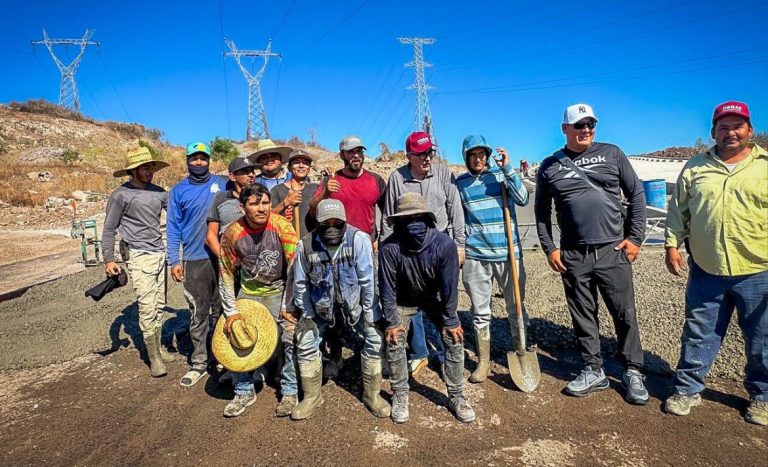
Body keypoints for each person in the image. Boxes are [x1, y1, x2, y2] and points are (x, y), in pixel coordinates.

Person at [535, 103, 649, 405]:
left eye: (590, 124)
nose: (586, 129)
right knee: (583, 315)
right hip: (573, 254)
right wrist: (550, 247)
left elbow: (636, 194)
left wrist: (635, 238)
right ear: (565, 129)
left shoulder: (612, 153)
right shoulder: (550, 165)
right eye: (579, 125)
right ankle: (593, 369)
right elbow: (541, 214)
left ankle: (633, 371)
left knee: (624, 313)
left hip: (613, 249)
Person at [664, 101, 768, 426]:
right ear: (713, 133)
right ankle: (687, 390)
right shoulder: (695, 167)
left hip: (758, 270)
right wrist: (671, 245)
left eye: (737, 126)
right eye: (723, 127)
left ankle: (763, 397)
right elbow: (678, 211)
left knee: (762, 338)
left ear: (750, 130)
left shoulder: (765, 166)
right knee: (698, 333)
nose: (730, 132)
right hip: (706, 270)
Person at [379, 192, 475, 424]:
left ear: (428, 219)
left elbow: (450, 286)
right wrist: (392, 322)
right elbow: (387, 289)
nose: (413, 223)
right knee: (394, 339)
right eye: (406, 218)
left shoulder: (445, 245)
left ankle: (456, 395)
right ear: (398, 222)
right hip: (403, 300)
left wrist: (450, 319)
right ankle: (400, 393)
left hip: (434, 299)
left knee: (454, 337)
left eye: (418, 217)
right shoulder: (389, 247)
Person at [292, 199, 390, 420]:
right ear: (318, 224)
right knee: (305, 342)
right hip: (321, 309)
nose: (332, 227)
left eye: (338, 222)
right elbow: (301, 285)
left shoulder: (359, 240)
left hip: (354, 306)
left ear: (345, 222)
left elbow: (367, 281)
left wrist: (370, 314)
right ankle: (311, 396)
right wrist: (306, 315)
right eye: (327, 223)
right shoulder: (305, 246)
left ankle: (372, 394)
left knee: (375, 340)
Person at [381, 131, 466, 377]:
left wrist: (459, 245)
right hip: (407, 249)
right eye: (420, 154)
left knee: (441, 302)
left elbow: (455, 209)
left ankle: (443, 352)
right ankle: (420, 353)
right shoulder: (397, 177)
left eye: (429, 152)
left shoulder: (443, 174)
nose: (426, 158)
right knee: (410, 303)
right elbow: (388, 217)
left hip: (438, 248)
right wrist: (386, 250)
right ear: (409, 156)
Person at [218, 184, 300, 418]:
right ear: (242, 207)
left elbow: (295, 268)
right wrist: (231, 311)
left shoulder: (281, 226)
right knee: (233, 333)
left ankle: (290, 390)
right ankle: (244, 390)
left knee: (290, 335)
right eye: (254, 204)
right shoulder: (232, 234)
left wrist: (288, 305)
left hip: (279, 290)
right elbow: (225, 274)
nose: (262, 208)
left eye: (265, 202)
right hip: (249, 292)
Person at [308, 135, 387, 375]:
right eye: (351, 152)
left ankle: (374, 351)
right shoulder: (332, 179)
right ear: (342, 155)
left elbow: (387, 210)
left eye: (360, 151)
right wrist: (324, 193)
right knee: (335, 301)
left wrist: (379, 239)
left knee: (368, 298)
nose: (356, 156)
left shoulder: (376, 180)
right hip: (335, 249)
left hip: (364, 249)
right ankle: (336, 354)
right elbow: (313, 211)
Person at [456, 135, 529, 383]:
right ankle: (484, 361)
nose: (478, 159)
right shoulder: (461, 184)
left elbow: (522, 198)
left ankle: (521, 351)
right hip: (476, 256)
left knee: (516, 307)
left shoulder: (501, 177)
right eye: (473, 155)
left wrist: (507, 168)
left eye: (482, 154)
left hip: (509, 254)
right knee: (480, 312)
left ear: (487, 156)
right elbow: (457, 218)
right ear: (466, 157)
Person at [102, 147, 174, 377]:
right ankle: (153, 357)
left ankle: (159, 348)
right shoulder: (121, 194)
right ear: (133, 170)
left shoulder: (159, 192)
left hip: (158, 252)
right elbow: (109, 228)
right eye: (145, 167)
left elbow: (177, 214)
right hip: (137, 254)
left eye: (151, 166)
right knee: (147, 306)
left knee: (160, 304)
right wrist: (108, 259)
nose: (150, 170)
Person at [166, 142, 228, 387]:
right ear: (187, 161)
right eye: (194, 158)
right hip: (193, 258)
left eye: (203, 158)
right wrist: (174, 259)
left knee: (223, 309)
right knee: (198, 311)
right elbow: (172, 227)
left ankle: (223, 358)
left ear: (209, 160)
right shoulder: (178, 191)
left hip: (223, 256)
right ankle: (200, 362)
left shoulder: (223, 183)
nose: (199, 162)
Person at [271, 149, 319, 237]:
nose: (301, 166)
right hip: (287, 243)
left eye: (305, 163)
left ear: (309, 169)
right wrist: (286, 202)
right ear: (289, 168)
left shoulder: (315, 188)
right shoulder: (277, 190)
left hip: (312, 243)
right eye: (296, 162)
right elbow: (269, 218)